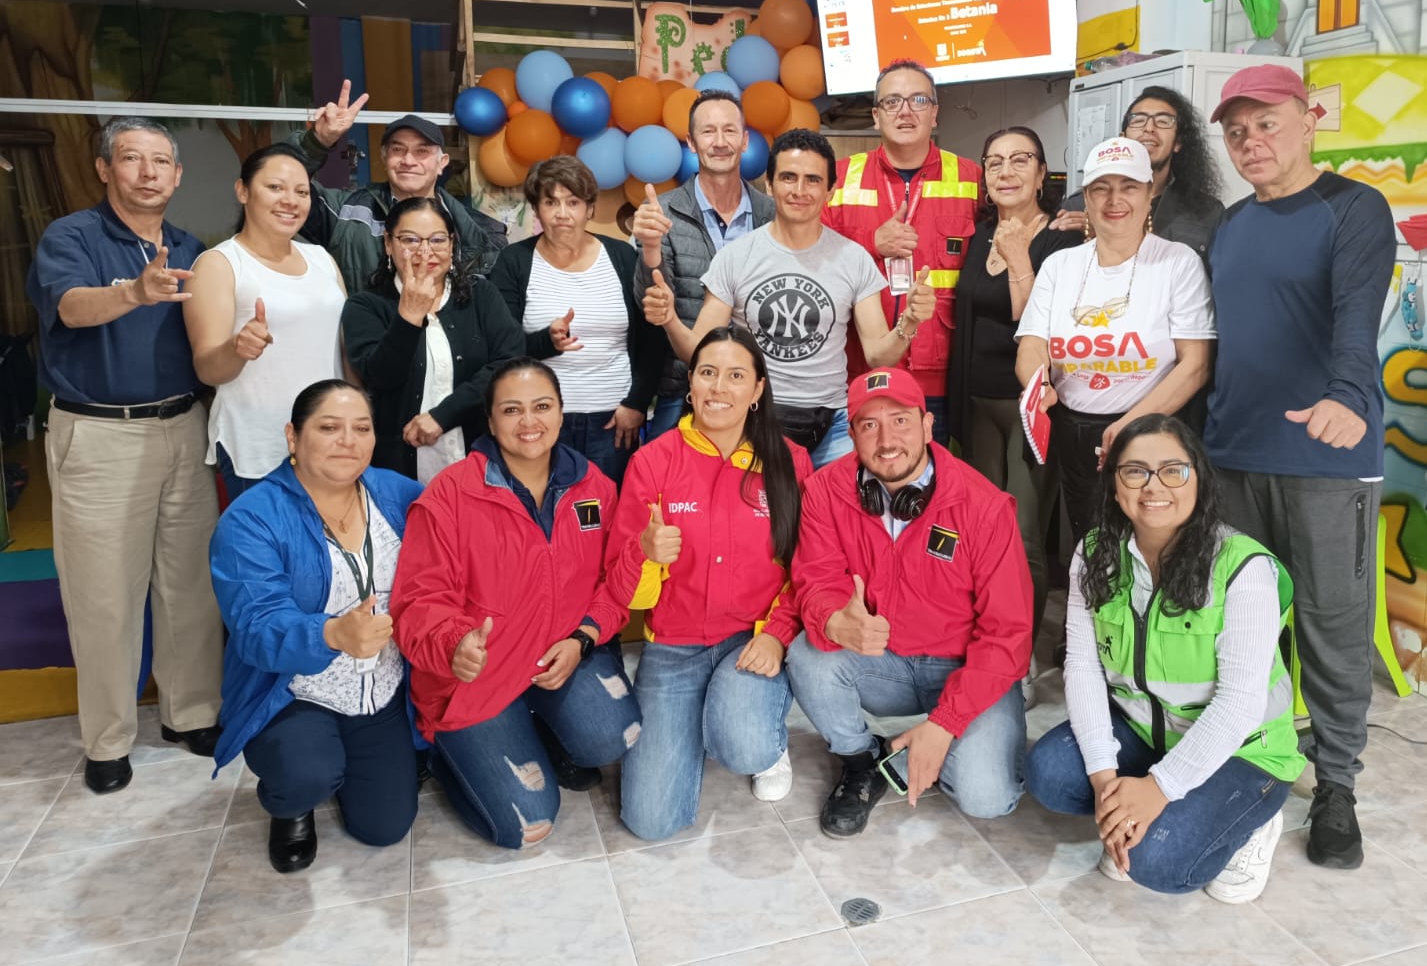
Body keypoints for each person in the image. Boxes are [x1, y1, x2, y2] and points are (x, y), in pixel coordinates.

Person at [1204, 64, 1395, 871]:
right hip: (1231, 456)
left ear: (1309, 120)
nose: (1251, 141)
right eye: (1236, 131)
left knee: (1330, 626)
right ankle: (1252, 754)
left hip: (1325, 457)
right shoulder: (1230, 225)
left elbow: (1357, 313)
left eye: (1268, 123)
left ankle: (1337, 785)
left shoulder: (1353, 208)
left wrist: (1348, 394)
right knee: (1242, 628)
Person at [1026, 415, 1304, 903]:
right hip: (1146, 732)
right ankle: (1154, 799)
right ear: (1114, 486)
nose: (1154, 486)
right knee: (1049, 774)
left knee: (1159, 863)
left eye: (1173, 470)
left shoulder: (1243, 567)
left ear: (1199, 479)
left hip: (1244, 750)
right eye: (1135, 471)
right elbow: (1084, 669)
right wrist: (1107, 784)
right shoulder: (1095, 554)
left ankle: (1253, 821)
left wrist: (1158, 789)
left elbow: (1238, 704)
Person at [25, 117, 224, 794]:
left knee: (189, 585)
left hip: (184, 425)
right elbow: (70, 308)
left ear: (177, 175)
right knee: (104, 594)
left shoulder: (192, 248)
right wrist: (134, 292)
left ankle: (190, 713)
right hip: (100, 434)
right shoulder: (71, 237)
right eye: (132, 159)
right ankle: (107, 740)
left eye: (161, 161)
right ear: (105, 168)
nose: (148, 173)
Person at [390, 359, 642, 850]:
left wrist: (583, 637)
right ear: (490, 420)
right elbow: (418, 600)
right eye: (511, 410)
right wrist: (454, 644)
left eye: (542, 406)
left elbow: (615, 584)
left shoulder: (594, 486)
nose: (529, 422)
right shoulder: (451, 494)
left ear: (562, 413)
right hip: (479, 677)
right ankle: (451, 756)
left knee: (618, 736)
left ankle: (539, 725)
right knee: (529, 825)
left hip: (559, 657)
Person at [785, 368, 1032, 836]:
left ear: (927, 425)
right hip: (883, 663)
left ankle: (936, 744)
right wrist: (834, 621)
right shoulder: (824, 489)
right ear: (852, 434)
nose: (886, 441)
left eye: (900, 420)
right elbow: (815, 579)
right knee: (807, 655)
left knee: (986, 797)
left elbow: (1009, 632)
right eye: (869, 425)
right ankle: (862, 761)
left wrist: (946, 722)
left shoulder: (985, 505)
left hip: (964, 667)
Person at [209, 380, 424, 873]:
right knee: (306, 773)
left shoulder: (398, 493)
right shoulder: (252, 519)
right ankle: (291, 804)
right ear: (293, 436)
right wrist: (332, 634)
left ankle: (350, 761)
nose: (348, 441)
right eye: (329, 428)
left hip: (380, 689)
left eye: (361, 429)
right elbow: (256, 628)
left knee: (385, 827)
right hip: (293, 691)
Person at [608, 327, 813, 840]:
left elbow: (810, 569)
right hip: (674, 647)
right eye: (707, 373)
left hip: (752, 640)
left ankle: (762, 733)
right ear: (691, 383)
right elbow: (629, 593)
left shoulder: (790, 461)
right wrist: (645, 554)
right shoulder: (653, 461)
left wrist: (777, 636)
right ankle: (705, 713)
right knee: (650, 821)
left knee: (744, 746)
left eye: (736, 376)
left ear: (758, 389)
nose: (719, 388)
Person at [642, 128, 935, 467]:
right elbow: (699, 350)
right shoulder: (735, 257)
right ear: (769, 185)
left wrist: (909, 322)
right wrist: (670, 320)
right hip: (754, 417)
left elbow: (877, 356)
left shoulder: (853, 258)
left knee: (849, 499)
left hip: (834, 423)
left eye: (813, 180)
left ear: (830, 190)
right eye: (788, 177)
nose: (799, 190)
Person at [1015, 137, 1216, 555]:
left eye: (1129, 187)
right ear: (1086, 197)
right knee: (1091, 545)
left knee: (1154, 547)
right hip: (1073, 432)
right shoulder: (1060, 265)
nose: (1114, 200)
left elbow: (1195, 365)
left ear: (1149, 193)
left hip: (1152, 430)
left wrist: (1131, 426)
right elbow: (1032, 344)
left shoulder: (1177, 262)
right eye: (1101, 188)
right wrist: (1039, 385)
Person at [947, 126, 1077, 653]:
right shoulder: (979, 234)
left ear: (1042, 173)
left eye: (1021, 160)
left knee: (1023, 538)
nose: (1006, 171)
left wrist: (1021, 255)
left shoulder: (1063, 241)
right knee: (979, 535)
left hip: (1030, 407)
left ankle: (1016, 656)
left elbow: (1036, 323)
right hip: (975, 403)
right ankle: (985, 640)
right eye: (994, 161)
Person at [821, 60, 981, 442]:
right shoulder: (838, 179)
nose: (905, 111)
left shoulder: (973, 179)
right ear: (876, 116)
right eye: (892, 101)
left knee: (932, 475)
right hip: (857, 370)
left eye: (918, 100)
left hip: (939, 378)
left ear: (935, 112)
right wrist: (871, 244)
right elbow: (809, 256)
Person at [488, 155, 665, 487]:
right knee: (543, 509)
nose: (562, 213)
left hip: (613, 421)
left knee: (606, 510)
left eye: (573, 202)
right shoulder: (514, 261)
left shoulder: (622, 257)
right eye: (550, 202)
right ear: (536, 209)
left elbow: (652, 338)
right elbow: (498, 347)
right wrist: (546, 342)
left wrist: (636, 404)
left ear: (590, 208)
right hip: (537, 422)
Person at [184, 143, 347, 500]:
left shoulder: (321, 258)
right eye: (275, 187)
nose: (290, 201)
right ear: (243, 191)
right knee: (269, 537)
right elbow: (207, 368)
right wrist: (237, 348)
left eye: (301, 192)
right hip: (258, 445)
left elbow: (342, 351)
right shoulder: (220, 264)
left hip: (330, 440)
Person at [341, 197, 522, 482]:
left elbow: (509, 362)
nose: (425, 251)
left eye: (437, 240)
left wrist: (444, 415)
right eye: (410, 240)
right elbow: (380, 377)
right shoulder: (365, 306)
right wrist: (409, 317)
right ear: (388, 243)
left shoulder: (480, 295)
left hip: (479, 458)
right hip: (400, 467)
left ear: (451, 244)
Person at [631, 90, 775, 440]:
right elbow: (650, 302)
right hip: (682, 386)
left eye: (729, 130)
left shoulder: (771, 214)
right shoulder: (661, 211)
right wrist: (650, 247)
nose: (720, 142)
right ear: (692, 143)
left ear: (744, 141)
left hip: (758, 390)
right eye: (708, 131)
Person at [299, 90, 508, 287]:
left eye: (422, 151)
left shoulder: (484, 233)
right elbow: (285, 189)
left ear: (442, 163)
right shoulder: (345, 211)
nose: (408, 160)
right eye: (398, 149)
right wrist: (317, 143)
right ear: (384, 158)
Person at [1055, 86, 1227, 257]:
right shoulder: (1079, 206)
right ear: (1123, 138)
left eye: (1163, 121)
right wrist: (1097, 234)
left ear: (1178, 143)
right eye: (1138, 120)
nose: (1149, 128)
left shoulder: (1207, 212)